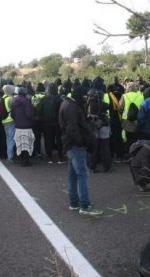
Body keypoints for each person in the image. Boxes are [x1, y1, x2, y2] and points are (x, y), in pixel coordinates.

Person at [59, 86, 102, 215]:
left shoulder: (67, 104)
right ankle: (84, 205)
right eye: (85, 96)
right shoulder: (71, 107)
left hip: (69, 144)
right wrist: (82, 142)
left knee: (72, 175)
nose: (87, 98)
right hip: (75, 145)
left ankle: (74, 203)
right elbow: (72, 128)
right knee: (82, 174)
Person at [88, 77, 112, 173]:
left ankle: (93, 166)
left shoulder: (89, 93)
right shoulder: (104, 94)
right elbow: (109, 106)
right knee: (105, 145)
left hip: (92, 123)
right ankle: (106, 166)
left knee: (94, 146)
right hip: (103, 122)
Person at [38, 83, 63, 163]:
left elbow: (39, 111)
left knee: (48, 139)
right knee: (59, 139)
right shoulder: (59, 99)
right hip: (58, 123)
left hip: (46, 123)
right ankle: (60, 157)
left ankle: (49, 157)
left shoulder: (43, 99)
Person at [11, 86, 36, 166]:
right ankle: (26, 161)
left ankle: (21, 159)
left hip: (18, 126)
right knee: (27, 143)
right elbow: (29, 114)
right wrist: (33, 116)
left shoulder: (13, 101)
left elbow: (12, 114)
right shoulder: (26, 101)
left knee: (19, 143)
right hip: (27, 125)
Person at [120, 82, 144, 155]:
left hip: (127, 121)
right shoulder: (141, 95)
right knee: (136, 138)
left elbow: (120, 108)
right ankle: (137, 154)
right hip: (138, 120)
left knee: (128, 139)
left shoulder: (125, 96)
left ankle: (130, 154)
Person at [1, 85, 17, 162]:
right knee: (11, 139)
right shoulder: (10, 99)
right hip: (10, 120)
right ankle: (10, 157)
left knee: (8, 138)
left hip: (4, 121)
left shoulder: (2, 98)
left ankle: (9, 155)